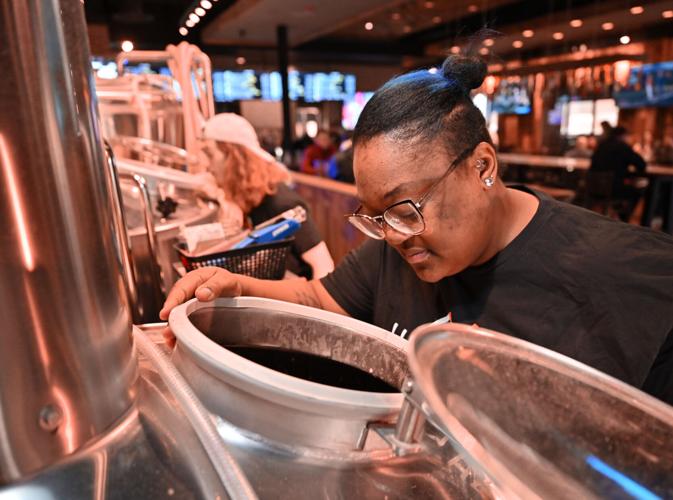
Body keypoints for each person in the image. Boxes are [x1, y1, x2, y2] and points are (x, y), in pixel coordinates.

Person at [163, 56, 673, 405]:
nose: (395, 233)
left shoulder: (629, 278)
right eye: (374, 216)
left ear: (482, 166)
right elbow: (320, 300)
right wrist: (236, 290)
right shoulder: (397, 244)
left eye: (405, 207)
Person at [201, 113, 335, 279]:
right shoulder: (250, 199)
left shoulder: (282, 202)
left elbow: (324, 267)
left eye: (210, 155)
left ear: (232, 157)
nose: (207, 165)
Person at [590, 125, 647, 220]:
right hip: (613, 189)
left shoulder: (601, 145)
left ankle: (617, 212)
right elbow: (641, 164)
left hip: (593, 187)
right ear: (622, 135)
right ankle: (625, 219)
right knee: (638, 190)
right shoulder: (622, 147)